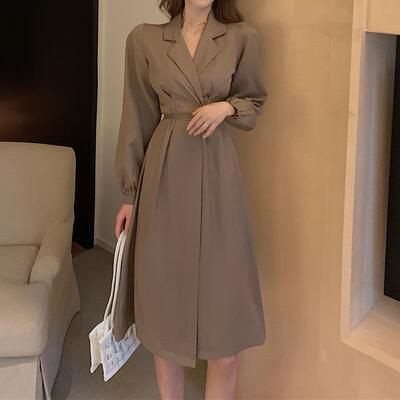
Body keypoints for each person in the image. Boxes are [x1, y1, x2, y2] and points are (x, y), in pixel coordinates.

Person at [114, 0, 268, 398]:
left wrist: (225, 107)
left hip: (219, 179)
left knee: (226, 344)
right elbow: (137, 116)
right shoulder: (144, 39)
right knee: (165, 327)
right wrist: (129, 195)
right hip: (164, 178)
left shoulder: (241, 37)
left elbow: (253, 100)